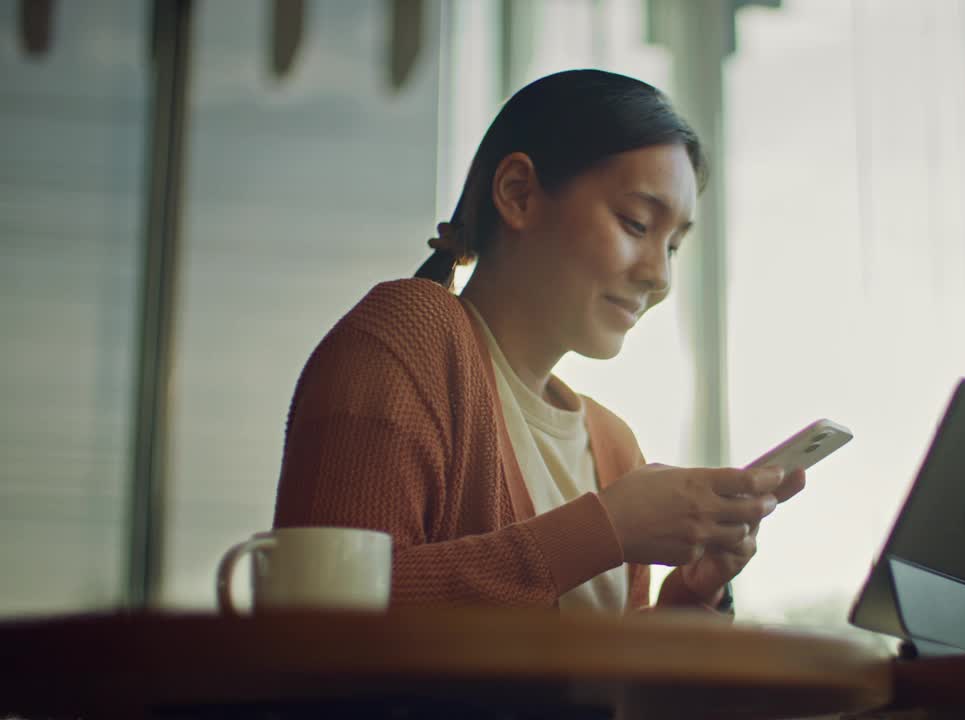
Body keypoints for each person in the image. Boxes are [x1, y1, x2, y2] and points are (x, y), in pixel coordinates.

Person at [273, 69, 804, 614]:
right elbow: (321, 614)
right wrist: (607, 529)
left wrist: (688, 602)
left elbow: (608, 696)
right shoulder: (407, 337)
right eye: (636, 223)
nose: (659, 277)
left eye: (672, 247)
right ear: (518, 194)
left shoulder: (613, 448)